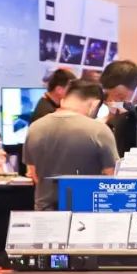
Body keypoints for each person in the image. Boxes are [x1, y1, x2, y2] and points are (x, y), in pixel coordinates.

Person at [23, 80, 119, 210]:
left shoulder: (35, 127)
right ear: (95, 104)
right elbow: (112, 175)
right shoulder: (99, 130)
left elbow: (33, 173)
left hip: (45, 212)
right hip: (86, 211)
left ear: (63, 100)